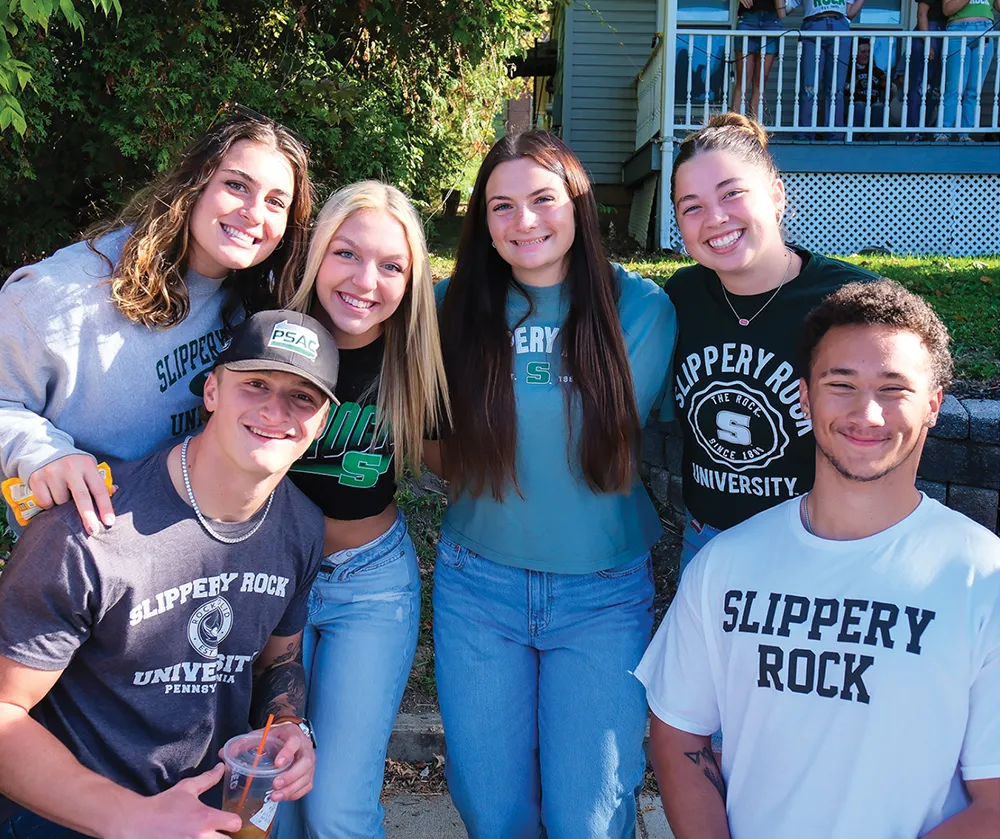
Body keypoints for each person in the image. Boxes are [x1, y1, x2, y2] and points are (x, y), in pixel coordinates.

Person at [635, 279, 1000, 837]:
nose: (867, 414)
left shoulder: (982, 578)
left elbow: (993, 804)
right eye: (841, 383)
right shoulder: (726, 564)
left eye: (894, 388)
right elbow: (680, 734)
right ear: (804, 398)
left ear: (933, 404)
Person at [0, 309, 340, 839]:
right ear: (210, 392)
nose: (276, 409)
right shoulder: (90, 530)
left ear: (321, 422)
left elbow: (280, 658)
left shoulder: (301, 526)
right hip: (75, 818)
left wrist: (290, 727)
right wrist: (131, 818)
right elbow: (3, 710)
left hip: (209, 814)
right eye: (255, 384)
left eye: (303, 397)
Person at [430, 130, 678, 839]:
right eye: (501, 206)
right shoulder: (447, 307)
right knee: (492, 809)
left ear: (577, 201)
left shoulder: (642, 311)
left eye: (542, 199)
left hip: (600, 592)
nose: (525, 221)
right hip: (478, 588)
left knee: (590, 816)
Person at [0, 108, 312, 535]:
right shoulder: (59, 296)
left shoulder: (260, 297)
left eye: (276, 201)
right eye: (236, 185)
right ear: (194, 185)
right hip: (84, 552)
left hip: (190, 544)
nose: (254, 214)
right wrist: (45, 453)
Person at [274, 182, 450, 839]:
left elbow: (459, 461)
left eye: (391, 265)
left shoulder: (415, 361)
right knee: (274, 807)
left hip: (369, 587)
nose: (365, 280)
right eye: (347, 254)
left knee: (338, 810)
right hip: (267, 583)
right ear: (318, 253)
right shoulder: (273, 338)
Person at [666, 113, 876, 573]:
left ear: (777, 195)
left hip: (819, 545)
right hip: (708, 542)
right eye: (692, 206)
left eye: (732, 193)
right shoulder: (678, 298)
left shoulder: (852, 302)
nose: (715, 218)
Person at [784, 0, 866, 140]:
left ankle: (834, 134)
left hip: (839, 24)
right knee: (809, 86)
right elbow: (786, 8)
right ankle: (805, 134)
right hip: (813, 24)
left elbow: (850, 12)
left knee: (836, 88)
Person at [935, 0, 999, 142]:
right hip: (958, 29)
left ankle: (964, 133)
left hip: (985, 29)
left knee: (974, 88)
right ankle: (944, 131)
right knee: (955, 86)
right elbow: (947, 9)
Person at [733, 0, 785, 120]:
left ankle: (755, 130)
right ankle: (735, 128)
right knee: (743, 80)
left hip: (772, 19)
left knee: (761, 82)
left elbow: (784, 11)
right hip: (748, 18)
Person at [905, 0, 947, 136]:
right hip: (929, 32)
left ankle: (924, 130)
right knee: (919, 85)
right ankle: (914, 132)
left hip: (943, 33)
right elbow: (922, 13)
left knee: (934, 89)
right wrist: (927, 42)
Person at [846, 38, 890, 135]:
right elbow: (845, 88)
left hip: (874, 103)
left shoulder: (877, 71)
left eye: (869, 52)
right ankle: (853, 141)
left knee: (879, 107)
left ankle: (879, 144)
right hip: (856, 103)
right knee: (860, 106)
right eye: (863, 52)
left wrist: (885, 82)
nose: (867, 54)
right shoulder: (848, 70)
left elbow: (887, 85)